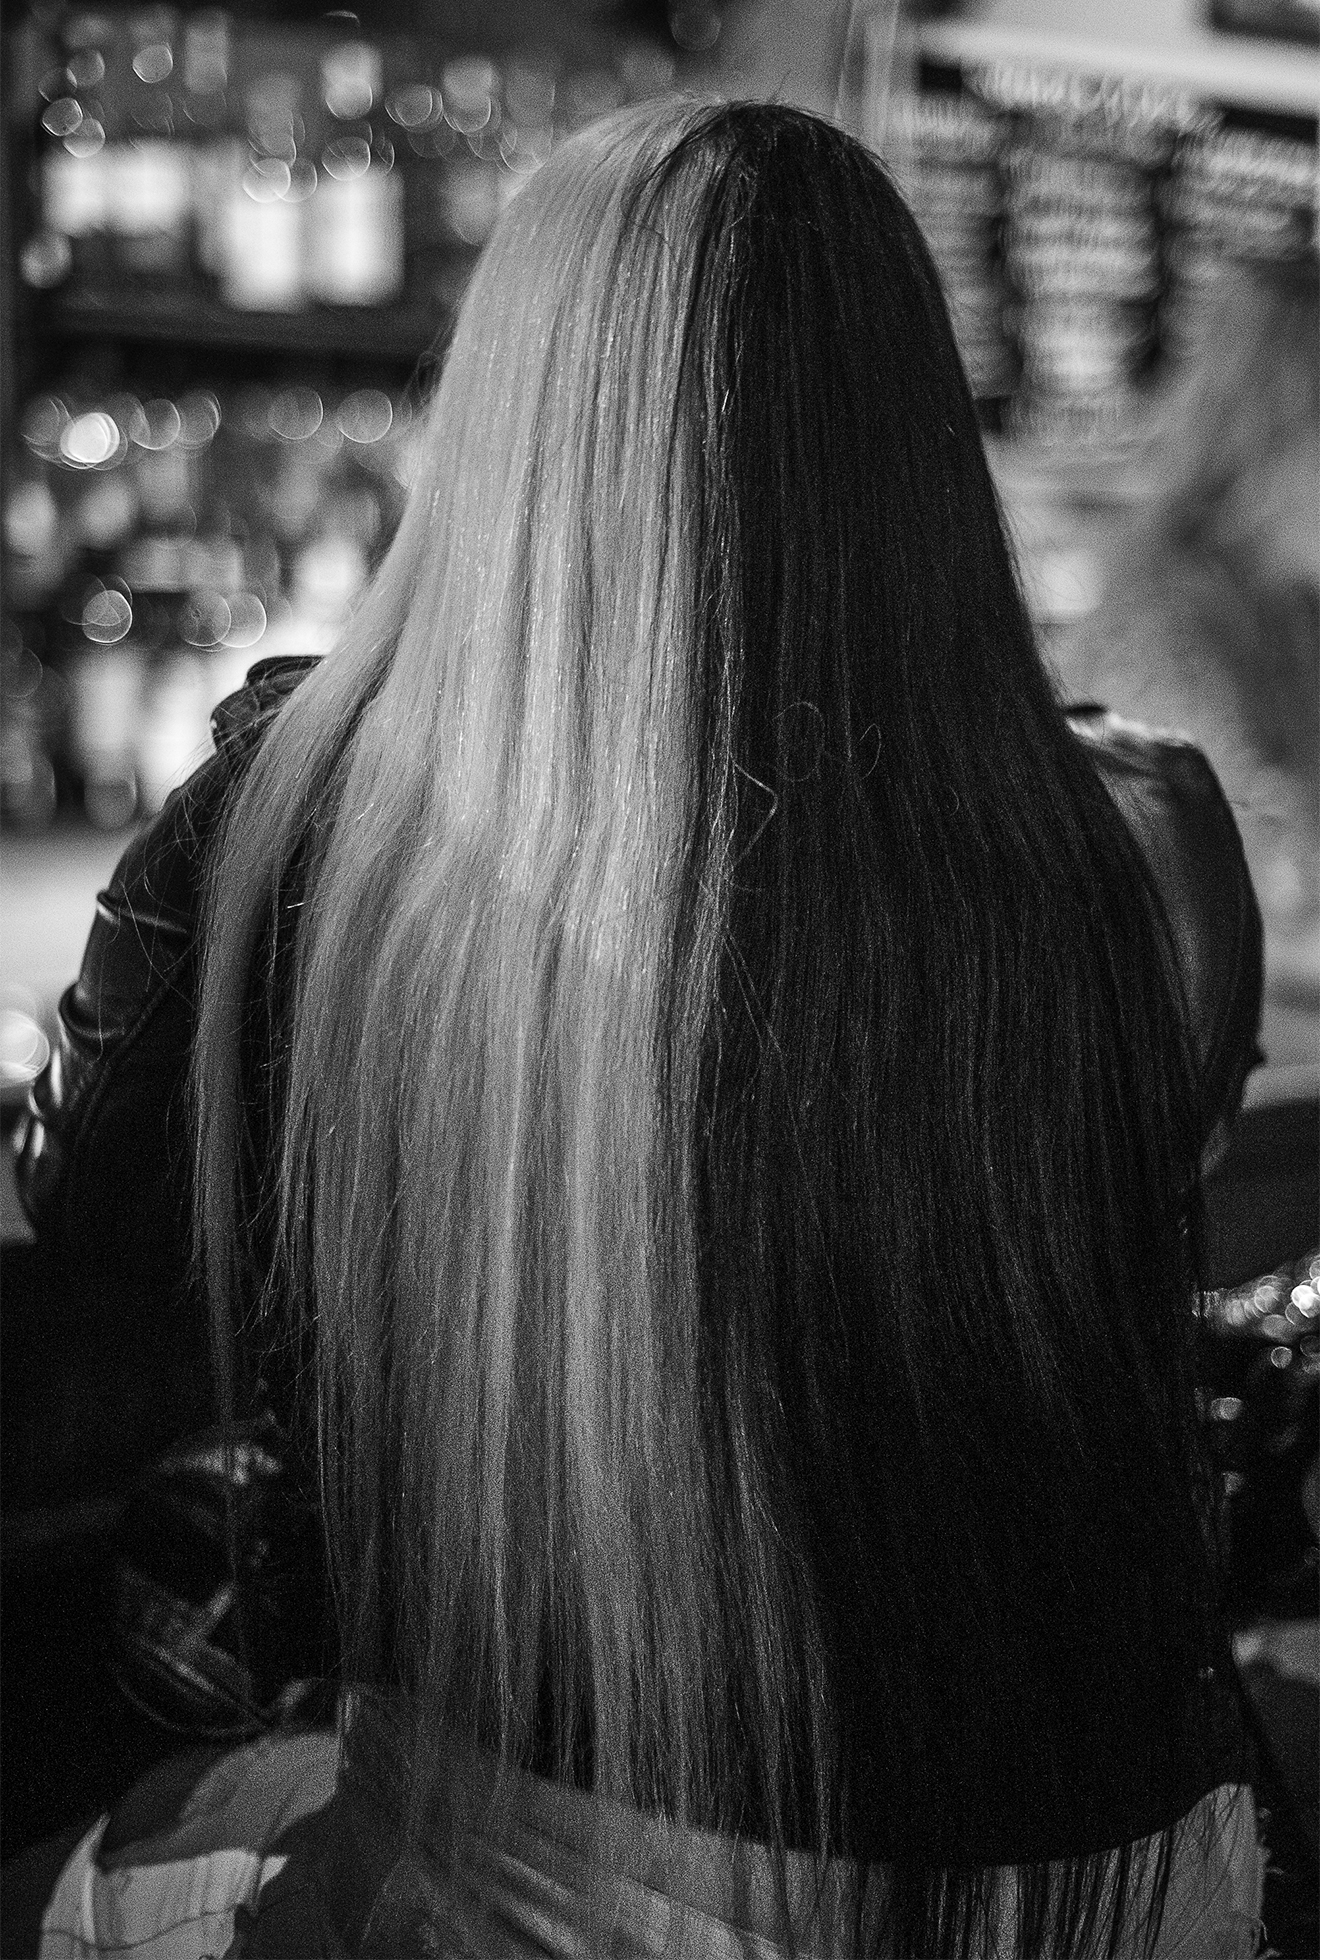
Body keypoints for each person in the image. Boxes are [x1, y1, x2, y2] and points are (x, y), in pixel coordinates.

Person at [15, 99, 1268, 1958]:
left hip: (616, 1883)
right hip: (1152, 1881)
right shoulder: (1139, 834)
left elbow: (90, 1224)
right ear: (915, 426)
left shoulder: (313, 805)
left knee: (73, 1877)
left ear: (504, 417)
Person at [1058, 254, 1319, 1008]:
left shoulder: (1287, 612)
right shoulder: (1162, 630)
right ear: (1283, 430)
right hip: (1183, 1097)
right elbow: (1259, 909)